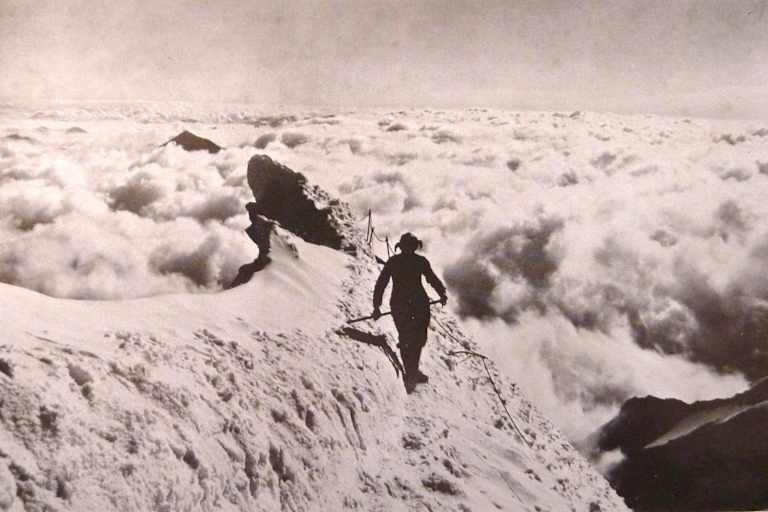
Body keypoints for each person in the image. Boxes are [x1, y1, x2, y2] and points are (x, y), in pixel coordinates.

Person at [372, 232, 447, 391]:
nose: (409, 249)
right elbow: (432, 279)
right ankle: (411, 372)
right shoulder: (418, 261)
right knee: (413, 338)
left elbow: (381, 284)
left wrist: (377, 306)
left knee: (413, 337)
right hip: (417, 304)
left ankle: (412, 370)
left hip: (403, 304)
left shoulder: (397, 262)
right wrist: (442, 293)